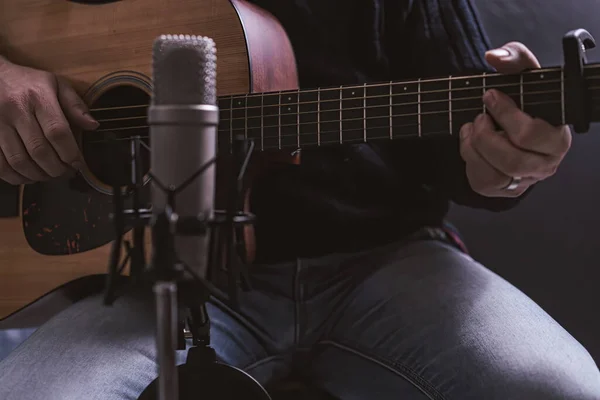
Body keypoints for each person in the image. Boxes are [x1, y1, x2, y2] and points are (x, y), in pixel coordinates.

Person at [1, 0, 599, 398]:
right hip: (154, 279)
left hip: (383, 264)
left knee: (563, 389)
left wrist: (506, 164)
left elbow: (470, 147)